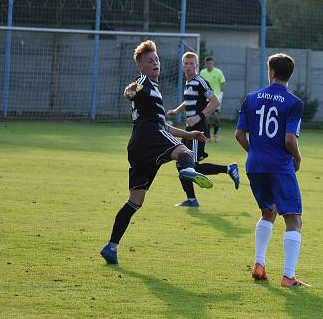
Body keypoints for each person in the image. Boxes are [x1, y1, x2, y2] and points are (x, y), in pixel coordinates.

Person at [100, 40, 214, 265]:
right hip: (149, 136)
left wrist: (190, 135)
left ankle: (111, 246)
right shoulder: (143, 81)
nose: (156, 63)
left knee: (135, 201)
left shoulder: (154, 91)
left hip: (139, 144)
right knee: (185, 154)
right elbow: (131, 90)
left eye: (157, 60)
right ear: (140, 66)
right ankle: (187, 171)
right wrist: (129, 91)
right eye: (150, 60)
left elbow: (165, 127)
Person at [235, 53, 308, 288]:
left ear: (272, 72)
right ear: (289, 74)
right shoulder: (294, 102)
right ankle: (288, 276)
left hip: (255, 166)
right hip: (280, 166)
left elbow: (238, 135)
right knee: (294, 219)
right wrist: (297, 158)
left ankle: (259, 263)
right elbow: (289, 139)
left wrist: (255, 153)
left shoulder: (250, 98)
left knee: (268, 212)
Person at [170, 51, 239, 207]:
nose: (188, 66)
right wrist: (176, 111)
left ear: (197, 65)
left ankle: (229, 169)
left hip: (197, 129)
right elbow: (188, 103)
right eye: (186, 63)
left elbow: (215, 102)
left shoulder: (200, 81)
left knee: (189, 165)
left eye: (191, 64)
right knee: (183, 164)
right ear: (182, 65)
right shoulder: (189, 83)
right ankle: (192, 199)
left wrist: (199, 117)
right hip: (189, 129)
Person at [199, 56, 226, 142]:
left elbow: (223, 83)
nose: (209, 65)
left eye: (210, 63)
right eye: (207, 63)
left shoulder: (218, 72)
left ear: (213, 63)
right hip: (206, 99)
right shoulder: (202, 72)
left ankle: (216, 135)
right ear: (205, 64)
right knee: (206, 117)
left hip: (215, 99)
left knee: (217, 117)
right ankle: (208, 136)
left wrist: (220, 94)